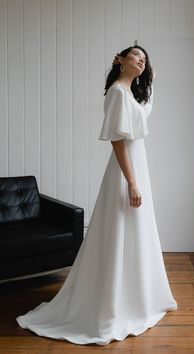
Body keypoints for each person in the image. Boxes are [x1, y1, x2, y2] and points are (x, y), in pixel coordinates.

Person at [16, 45, 178, 346]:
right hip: (126, 172)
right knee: (120, 232)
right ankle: (110, 305)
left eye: (144, 58)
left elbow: (143, 113)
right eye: (136, 56)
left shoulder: (130, 93)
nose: (141, 60)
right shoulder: (117, 92)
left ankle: (138, 298)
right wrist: (131, 182)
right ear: (121, 60)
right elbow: (117, 141)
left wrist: (150, 79)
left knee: (137, 232)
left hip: (137, 168)